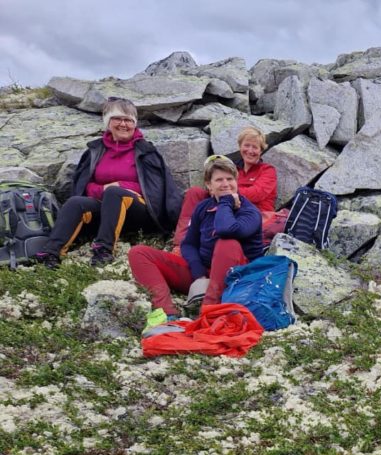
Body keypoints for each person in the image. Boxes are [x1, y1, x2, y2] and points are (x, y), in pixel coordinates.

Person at [33, 98, 182, 268]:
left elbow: (155, 190)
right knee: (76, 202)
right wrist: (103, 189)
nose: (123, 124)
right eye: (117, 118)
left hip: (140, 212)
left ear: (135, 124)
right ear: (107, 122)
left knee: (114, 193)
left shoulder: (146, 151)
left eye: (128, 120)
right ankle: (51, 253)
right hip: (105, 209)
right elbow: (84, 186)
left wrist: (119, 186)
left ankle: (103, 250)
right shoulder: (96, 150)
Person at [128, 156, 262, 335]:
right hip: (205, 275)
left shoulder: (250, 212)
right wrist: (198, 273)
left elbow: (225, 229)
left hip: (236, 279)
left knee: (227, 243)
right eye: (219, 180)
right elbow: (189, 244)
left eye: (230, 179)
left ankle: (208, 312)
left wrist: (226, 202)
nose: (225, 184)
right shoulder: (203, 208)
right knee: (138, 253)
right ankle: (167, 314)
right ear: (209, 185)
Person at [171, 126, 280, 250]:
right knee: (194, 192)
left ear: (261, 150)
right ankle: (181, 242)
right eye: (246, 145)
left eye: (255, 147)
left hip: (253, 214)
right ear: (240, 147)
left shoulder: (267, 170)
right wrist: (215, 190)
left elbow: (257, 193)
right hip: (227, 208)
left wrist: (224, 192)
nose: (250, 150)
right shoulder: (234, 170)